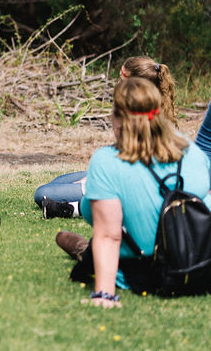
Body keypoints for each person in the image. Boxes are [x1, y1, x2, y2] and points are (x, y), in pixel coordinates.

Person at [54, 77, 211, 307]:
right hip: (200, 264)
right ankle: (78, 245)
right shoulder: (193, 153)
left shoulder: (107, 161)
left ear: (117, 119)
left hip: (147, 273)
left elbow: (109, 235)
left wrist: (104, 294)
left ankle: (79, 247)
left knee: (90, 246)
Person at [34, 56, 179, 217]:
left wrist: (94, 182)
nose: (117, 85)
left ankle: (73, 209)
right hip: (117, 176)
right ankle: (77, 203)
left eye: (121, 79)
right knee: (57, 182)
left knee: (42, 193)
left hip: (126, 185)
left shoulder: (147, 119)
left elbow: (133, 172)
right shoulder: (136, 110)